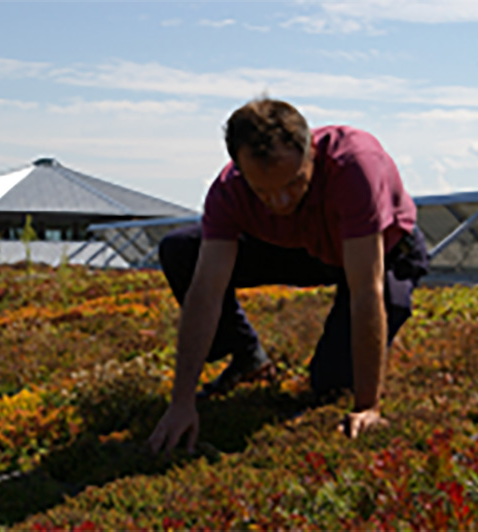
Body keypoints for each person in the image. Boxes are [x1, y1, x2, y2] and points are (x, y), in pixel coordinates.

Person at [148, 97, 428, 455]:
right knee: (182, 249)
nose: (280, 201)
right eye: (262, 191)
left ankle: (350, 374)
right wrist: (181, 401)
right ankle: (248, 358)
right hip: (303, 246)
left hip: (379, 253)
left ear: (311, 153)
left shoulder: (355, 166)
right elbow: (205, 293)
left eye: (293, 183)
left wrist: (367, 405)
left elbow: (365, 292)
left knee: (332, 382)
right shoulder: (228, 190)